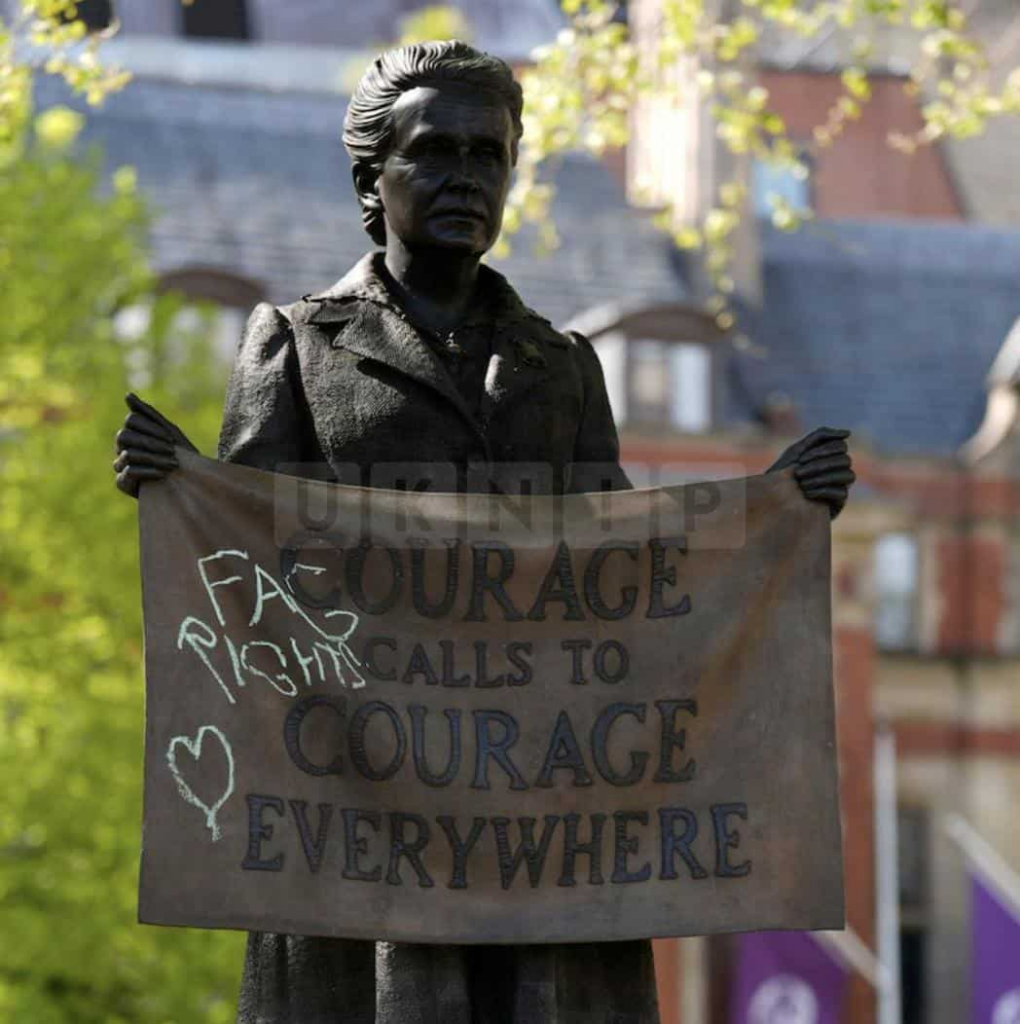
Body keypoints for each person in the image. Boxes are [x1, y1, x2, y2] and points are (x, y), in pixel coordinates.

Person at [114, 40, 854, 1024]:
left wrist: (771, 517)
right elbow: (241, 584)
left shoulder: (566, 366)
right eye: (435, 151)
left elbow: (631, 583)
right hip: (357, 838)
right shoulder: (292, 348)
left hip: (542, 839)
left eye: (489, 155)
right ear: (371, 180)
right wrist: (181, 489)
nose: (466, 177)